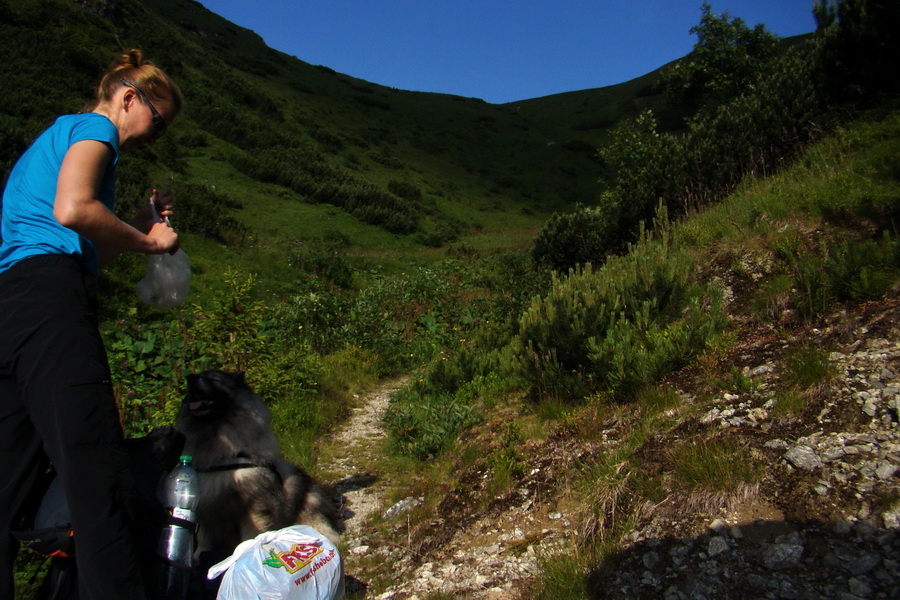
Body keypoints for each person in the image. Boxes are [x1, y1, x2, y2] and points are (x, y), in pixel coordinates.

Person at [0, 49, 183, 600]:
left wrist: (141, 228)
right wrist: (152, 240)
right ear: (129, 98)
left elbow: (86, 249)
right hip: (51, 308)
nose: (156, 136)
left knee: (8, 481)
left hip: (14, 305)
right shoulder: (92, 129)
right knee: (96, 470)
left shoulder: (55, 139)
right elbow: (74, 210)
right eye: (158, 121)